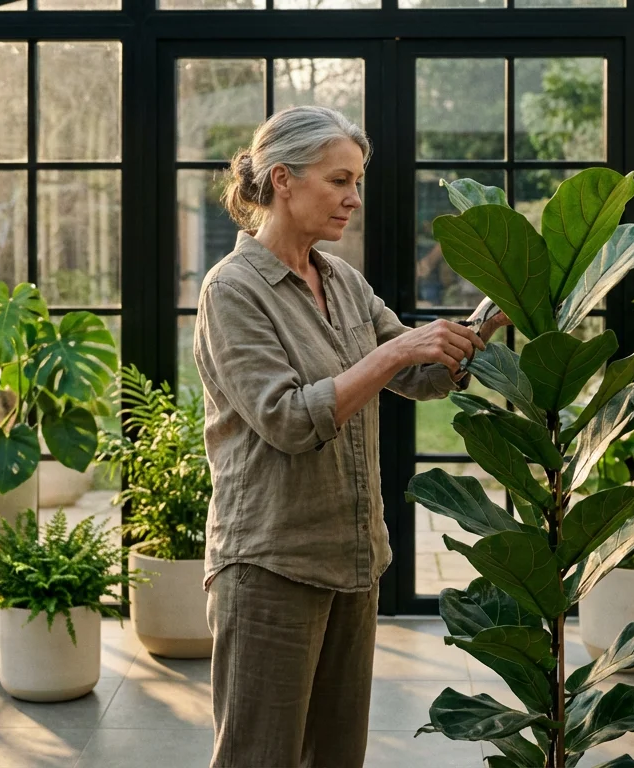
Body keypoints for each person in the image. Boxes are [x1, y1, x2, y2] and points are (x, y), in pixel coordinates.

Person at [193, 105, 508, 768]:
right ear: (283, 179)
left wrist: (488, 318)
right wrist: (393, 355)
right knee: (258, 757)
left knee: (336, 758)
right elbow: (285, 417)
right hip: (271, 566)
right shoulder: (233, 290)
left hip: (352, 562)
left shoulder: (342, 281)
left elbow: (420, 379)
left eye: (356, 181)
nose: (354, 198)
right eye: (340, 181)